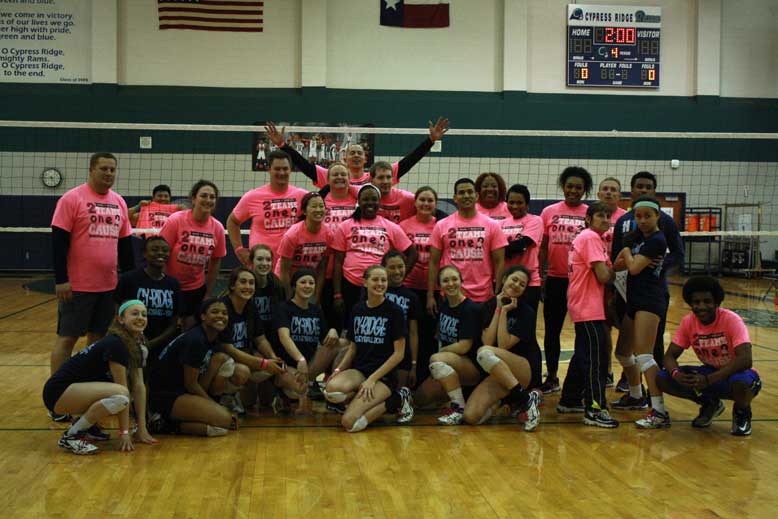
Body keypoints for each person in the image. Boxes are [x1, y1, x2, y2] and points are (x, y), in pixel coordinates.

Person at [49, 152, 135, 422]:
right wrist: (62, 279)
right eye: (104, 169)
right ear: (91, 170)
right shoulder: (72, 199)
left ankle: (87, 393)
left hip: (107, 286)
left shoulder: (118, 201)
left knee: (97, 343)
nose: (109, 174)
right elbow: (58, 243)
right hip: (77, 286)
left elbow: (125, 246)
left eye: (112, 170)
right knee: (67, 339)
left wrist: (128, 283)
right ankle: (56, 398)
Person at [43, 300, 157, 454]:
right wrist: (124, 433)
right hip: (58, 392)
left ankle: (87, 427)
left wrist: (142, 429)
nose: (140, 317)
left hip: (76, 391)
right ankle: (71, 436)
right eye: (134, 313)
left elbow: (139, 386)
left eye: (144, 314)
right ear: (121, 319)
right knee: (121, 395)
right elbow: (122, 391)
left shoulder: (138, 346)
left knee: (121, 394)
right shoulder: (116, 344)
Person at [656, 277, 762, 436]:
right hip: (710, 374)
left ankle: (742, 413)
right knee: (662, 377)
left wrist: (709, 380)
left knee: (741, 382)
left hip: (736, 374)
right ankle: (710, 403)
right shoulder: (688, 322)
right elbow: (669, 356)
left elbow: (745, 359)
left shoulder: (732, 320)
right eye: (696, 302)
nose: (701, 306)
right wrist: (677, 375)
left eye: (707, 301)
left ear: (717, 302)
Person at [611, 171, 685, 394]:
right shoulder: (624, 221)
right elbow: (618, 258)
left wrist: (659, 265)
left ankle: (658, 393)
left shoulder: (665, 224)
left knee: (649, 347)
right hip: (625, 290)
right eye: (639, 186)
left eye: (648, 187)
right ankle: (633, 388)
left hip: (651, 292)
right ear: (631, 191)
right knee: (625, 348)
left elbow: (678, 254)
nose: (643, 190)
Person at [323, 265, 414, 431]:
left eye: (383, 280)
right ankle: (360, 401)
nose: (380, 283)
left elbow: (399, 354)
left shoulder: (395, 311)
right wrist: (337, 371)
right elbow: (352, 348)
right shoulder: (357, 309)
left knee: (349, 423)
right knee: (332, 391)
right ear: (365, 282)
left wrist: (372, 379)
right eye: (375, 279)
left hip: (383, 377)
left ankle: (397, 398)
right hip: (360, 371)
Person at [556, 202, 619, 428]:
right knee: (596, 359)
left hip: (584, 305)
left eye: (607, 216)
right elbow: (603, 276)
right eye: (599, 215)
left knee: (584, 354)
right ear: (589, 219)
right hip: (588, 307)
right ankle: (595, 409)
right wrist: (620, 266)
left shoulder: (591, 238)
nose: (605, 219)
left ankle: (570, 399)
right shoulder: (591, 237)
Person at [149, 299, 248, 436]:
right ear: (203, 316)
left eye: (224, 313)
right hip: (167, 396)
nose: (221, 316)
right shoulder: (195, 340)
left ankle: (205, 411)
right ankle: (164, 424)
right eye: (214, 312)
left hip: (185, 391)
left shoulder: (213, 337)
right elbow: (191, 384)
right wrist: (215, 406)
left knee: (226, 362)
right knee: (223, 422)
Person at [613, 196, 670, 428]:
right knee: (623, 353)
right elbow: (617, 265)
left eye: (648, 216)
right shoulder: (639, 240)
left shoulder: (657, 240)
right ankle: (636, 396)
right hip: (633, 301)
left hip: (650, 301)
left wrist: (626, 250)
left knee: (645, 355)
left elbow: (633, 268)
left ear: (657, 216)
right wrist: (628, 253)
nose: (643, 220)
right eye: (638, 216)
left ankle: (659, 411)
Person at [264, 118, 449, 187]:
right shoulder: (332, 176)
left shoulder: (376, 177)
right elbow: (303, 165)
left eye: (359, 153)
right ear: (344, 157)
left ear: (365, 158)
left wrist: (430, 142)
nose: (356, 155)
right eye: (352, 153)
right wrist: (283, 145)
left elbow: (409, 161)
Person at [537, 166, 592, 393]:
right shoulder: (549, 211)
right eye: (569, 186)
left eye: (578, 187)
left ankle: (582, 377)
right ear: (563, 187)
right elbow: (542, 246)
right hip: (555, 280)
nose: (573, 191)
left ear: (585, 190)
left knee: (584, 331)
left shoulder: (590, 212)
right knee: (552, 330)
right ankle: (551, 376)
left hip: (581, 281)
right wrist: (541, 275)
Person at [331, 184, 417, 327]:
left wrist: (397, 278)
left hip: (379, 287)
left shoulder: (389, 226)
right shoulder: (346, 225)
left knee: (375, 326)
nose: (370, 203)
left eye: (374, 199)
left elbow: (412, 254)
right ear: (359, 201)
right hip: (350, 285)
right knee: (350, 327)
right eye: (365, 199)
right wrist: (337, 294)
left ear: (379, 202)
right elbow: (338, 262)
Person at [470, 266, 542, 431]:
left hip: (523, 369)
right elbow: (487, 340)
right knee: (472, 416)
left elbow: (503, 345)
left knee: (484, 353)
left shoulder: (527, 312)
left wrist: (504, 312)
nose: (516, 285)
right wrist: (498, 308)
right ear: (504, 279)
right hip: (497, 370)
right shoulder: (487, 306)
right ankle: (506, 401)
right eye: (514, 279)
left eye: (522, 284)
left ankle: (525, 399)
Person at [427, 178, 507, 315]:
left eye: (470, 192)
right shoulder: (442, 225)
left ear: (476, 196)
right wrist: (430, 296)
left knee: (482, 336)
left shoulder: (492, 225)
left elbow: (499, 261)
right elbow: (433, 262)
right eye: (461, 193)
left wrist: (498, 292)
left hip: (483, 296)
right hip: (450, 294)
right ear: (455, 198)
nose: (466, 196)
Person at [416, 265, 484, 425]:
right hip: (451, 364)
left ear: (462, 281)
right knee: (419, 400)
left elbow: (463, 347)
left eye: (454, 279)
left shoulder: (470, 309)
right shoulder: (445, 305)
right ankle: (452, 394)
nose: (451, 284)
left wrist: (439, 356)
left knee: (436, 359)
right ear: (439, 285)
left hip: (472, 367)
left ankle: (459, 407)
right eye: (445, 281)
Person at [271, 269, 340, 413]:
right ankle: (280, 386)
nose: (307, 286)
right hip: (287, 363)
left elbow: (325, 340)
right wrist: (300, 359)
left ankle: (329, 386)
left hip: (309, 367)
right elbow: (284, 337)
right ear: (294, 286)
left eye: (311, 283)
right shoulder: (283, 308)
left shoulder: (316, 310)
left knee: (340, 343)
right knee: (299, 388)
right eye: (303, 282)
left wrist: (333, 331)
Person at [217, 267, 285, 415]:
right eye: (243, 282)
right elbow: (228, 349)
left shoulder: (250, 307)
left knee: (273, 364)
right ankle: (223, 397)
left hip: (240, 355)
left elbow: (260, 339)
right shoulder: (222, 308)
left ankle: (239, 394)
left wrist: (272, 357)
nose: (248, 286)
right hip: (219, 361)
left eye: (251, 283)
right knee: (244, 371)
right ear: (232, 285)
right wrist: (263, 363)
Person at [159, 180, 226, 327]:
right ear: (194, 198)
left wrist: (208, 292)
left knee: (190, 329)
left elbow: (216, 262)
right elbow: (161, 254)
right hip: (171, 286)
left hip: (195, 289)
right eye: (204, 195)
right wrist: (163, 284)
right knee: (168, 328)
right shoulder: (176, 220)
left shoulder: (217, 228)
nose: (208, 200)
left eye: (212, 197)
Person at [227, 150, 309, 268]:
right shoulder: (252, 196)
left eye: (285, 168)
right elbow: (232, 222)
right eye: (277, 169)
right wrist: (239, 250)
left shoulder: (302, 196)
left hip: (292, 265)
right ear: (269, 169)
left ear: (290, 170)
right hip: (262, 266)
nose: (281, 172)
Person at [114, 236, 181, 364]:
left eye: (165, 250)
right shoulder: (129, 279)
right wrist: (131, 339)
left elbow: (173, 324)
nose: (160, 253)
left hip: (161, 344)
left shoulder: (173, 284)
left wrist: (152, 343)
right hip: (130, 342)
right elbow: (118, 313)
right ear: (144, 253)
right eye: (154, 249)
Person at [399, 186, 439, 384]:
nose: (425, 203)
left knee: (429, 335)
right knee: (408, 332)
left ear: (435, 204)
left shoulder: (440, 226)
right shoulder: (404, 226)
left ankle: (425, 377)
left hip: (433, 289)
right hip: (408, 287)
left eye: (430, 200)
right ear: (414, 203)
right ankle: (407, 374)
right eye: (422, 199)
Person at [596, 177, 627, 387]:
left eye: (613, 190)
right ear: (598, 194)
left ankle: (628, 375)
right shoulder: (594, 217)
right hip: (599, 280)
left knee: (627, 328)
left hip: (624, 280)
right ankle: (606, 370)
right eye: (605, 189)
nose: (609, 193)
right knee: (604, 328)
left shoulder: (626, 219)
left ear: (619, 195)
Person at [276, 192, 332, 300]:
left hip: (308, 283)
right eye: (314, 206)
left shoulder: (328, 234)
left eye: (321, 206)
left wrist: (317, 297)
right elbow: (284, 271)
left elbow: (322, 269)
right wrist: (288, 298)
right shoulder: (292, 235)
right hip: (289, 282)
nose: (318, 209)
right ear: (305, 211)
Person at [500, 184, 544, 312]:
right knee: (504, 322)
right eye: (511, 202)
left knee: (526, 325)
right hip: (507, 281)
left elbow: (523, 244)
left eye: (519, 203)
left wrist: (502, 251)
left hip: (529, 283)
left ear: (527, 204)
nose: (515, 206)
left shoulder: (535, 220)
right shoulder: (501, 223)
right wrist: (507, 250)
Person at [382, 251, 421, 389]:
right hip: (378, 351)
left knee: (397, 395)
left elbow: (413, 332)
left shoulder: (411, 297)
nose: (397, 271)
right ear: (383, 269)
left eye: (400, 266)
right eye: (392, 268)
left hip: (402, 354)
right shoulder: (376, 291)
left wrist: (414, 365)